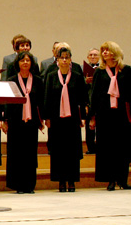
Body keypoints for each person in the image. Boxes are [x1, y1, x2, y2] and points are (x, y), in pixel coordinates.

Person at [89, 41, 131, 191]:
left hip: (121, 114)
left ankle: (123, 179)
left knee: (122, 147)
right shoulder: (100, 71)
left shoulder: (126, 70)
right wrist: (92, 116)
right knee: (107, 148)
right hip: (105, 114)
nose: (105, 53)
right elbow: (94, 95)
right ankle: (110, 179)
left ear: (115, 52)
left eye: (107, 51)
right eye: (103, 51)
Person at [44, 47, 87, 192]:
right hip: (56, 120)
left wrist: (83, 117)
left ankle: (72, 181)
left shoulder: (77, 76)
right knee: (58, 150)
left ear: (70, 60)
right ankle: (61, 181)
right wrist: (47, 118)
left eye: (67, 58)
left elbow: (83, 99)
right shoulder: (51, 76)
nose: (64, 60)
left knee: (72, 150)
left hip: (72, 119)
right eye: (61, 58)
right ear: (57, 60)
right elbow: (47, 99)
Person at [3, 51, 44, 194]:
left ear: (31, 63)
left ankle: (30, 185)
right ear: (18, 63)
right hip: (15, 122)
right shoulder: (12, 80)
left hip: (31, 121)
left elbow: (41, 102)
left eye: (28, 60)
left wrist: (42, 119)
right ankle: (18, 185)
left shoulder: (38, 80)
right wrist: (5, 120)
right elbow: (7, 102)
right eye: (22, 60)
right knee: (16, 154)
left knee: (30, 154)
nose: (25, 62)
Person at [84, 48, 100, 154]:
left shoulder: (103, 69)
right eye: (91, 55)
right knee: (89, 127)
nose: (93, 57)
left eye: (95, 55)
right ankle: (90, 148)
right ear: (88, 57)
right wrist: (85, 81)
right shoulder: (82, 69)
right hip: (88, 102)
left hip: (100, 103)